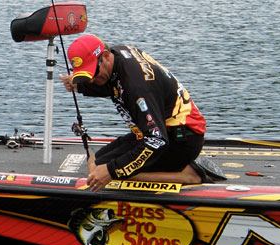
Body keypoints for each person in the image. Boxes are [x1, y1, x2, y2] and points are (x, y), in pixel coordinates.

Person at [60, 34, 213, 192]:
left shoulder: (137, 86)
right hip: (160, 131)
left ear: (105, 56)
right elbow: (115, 86)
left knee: (106, 173)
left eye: (92, 73)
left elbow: (157, 140)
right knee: (95, 163)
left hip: (181, 139)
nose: (90, 80)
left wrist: (112, 171)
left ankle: (187, 175)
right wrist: (80, 85)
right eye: (86, 75)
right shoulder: (118, 55)